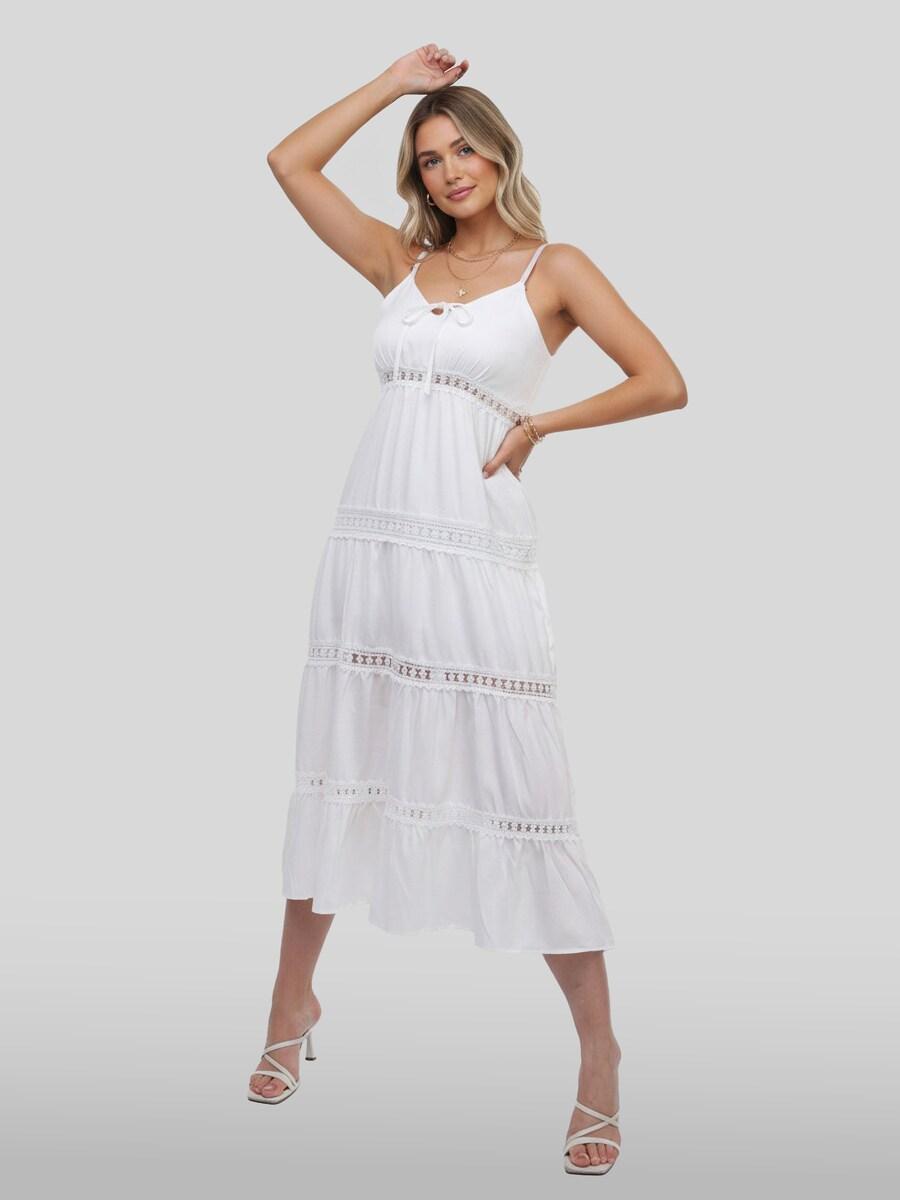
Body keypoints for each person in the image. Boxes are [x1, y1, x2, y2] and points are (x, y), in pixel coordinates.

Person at [248, 44, 687, 1176]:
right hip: (371, 547)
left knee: (522, 790)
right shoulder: (399, 261)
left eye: (462, 148)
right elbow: (289, 163)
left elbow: (662, 380)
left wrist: (542, 424)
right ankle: (291, 1005)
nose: (448, 171)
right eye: (429, 157)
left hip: (474, 555)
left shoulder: (556, 267)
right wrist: (395, 84)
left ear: (499, 152)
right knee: (340, 764)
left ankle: (600, 1058)